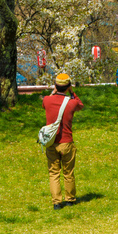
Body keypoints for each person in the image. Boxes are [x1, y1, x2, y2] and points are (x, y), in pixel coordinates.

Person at [42, 73, 83, 210]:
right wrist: (72, 92)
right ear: (68, 86)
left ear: (55, 85)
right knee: (68, 172)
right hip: (67, 142)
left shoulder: (47, 100)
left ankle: (57, 203)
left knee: (54, 173)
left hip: (51, 142)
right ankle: (70, 199)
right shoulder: (72, 103)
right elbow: (80, 105)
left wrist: (53, 92)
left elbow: (45, 104)